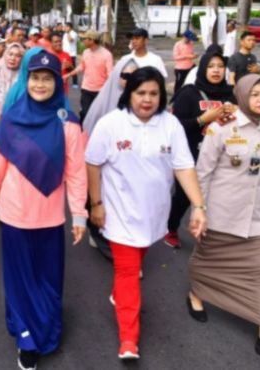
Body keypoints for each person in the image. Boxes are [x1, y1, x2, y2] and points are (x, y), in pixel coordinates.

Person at [85, 66, 207, 361]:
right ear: (130, 93)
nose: (147, 99)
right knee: (128, 273)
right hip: (119, 213)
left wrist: (199, 206)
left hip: (154, 214)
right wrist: (96, 203)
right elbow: (92, 163)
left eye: (154, 93)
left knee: (139, 254)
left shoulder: (171, 125)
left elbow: (183, 166)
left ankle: (121, 294)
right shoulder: (111, 123)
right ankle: (129, 339)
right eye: (141, 93)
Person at [0, 51, 87, 370]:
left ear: (57, 83)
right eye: (35, 77)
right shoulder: (13, 116)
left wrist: (79, 213)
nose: (40, 84)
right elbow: (1, 160)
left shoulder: (68, 124)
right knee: (19, 279)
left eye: (47, 78)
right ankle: (26, 336)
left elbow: (76, 171)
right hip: (14, 213)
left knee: (48, 279)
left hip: (51, 216)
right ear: (26, 80)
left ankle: (47, 328)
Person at [189, 74, 260, 364]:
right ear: (242, 95)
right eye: (255, 94)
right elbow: (203, 173)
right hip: (221, 214)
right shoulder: (221, 128)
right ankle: (196, 294)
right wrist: (199, 210)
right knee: (207, 259)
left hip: (258, 217)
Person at [165, 49, 236, 248]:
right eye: (211, 66)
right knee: (184, 197)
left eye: (220, 66)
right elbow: (174, 126)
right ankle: (170, 228)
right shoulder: (188, 93)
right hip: (191, 155)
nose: (216, 70)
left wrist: (238, 113)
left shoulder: (231, 95)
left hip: (222, 156)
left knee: (215, 197)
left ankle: (206, 231)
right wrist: (202, 119)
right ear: (203, 68)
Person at [82, 56, 139, 257]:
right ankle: (102, 238)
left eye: (135, 75)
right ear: (116, 76)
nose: (130, 80)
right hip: (104, 165)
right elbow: (88, 131)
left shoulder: (142, 100)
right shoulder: (104, 100)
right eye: (125, 75)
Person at [63, 30, 114, 122]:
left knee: (99, 116)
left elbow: (110, 74)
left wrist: (109, 92)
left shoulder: (107, 55)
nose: (83, 41)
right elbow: (82, 66)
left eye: (85, 39)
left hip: (100, 91)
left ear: (92, 40)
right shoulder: (86, 52)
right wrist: (69, 75)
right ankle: (83, 133)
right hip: (86, 88)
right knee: (85, 113)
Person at [62, 22, 79, 87]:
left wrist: (68, 33)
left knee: (72, 68)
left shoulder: (74, 33)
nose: (65, 28)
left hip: (71, 54)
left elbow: (70, 40)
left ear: (70, 27)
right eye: (65, 27)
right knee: (64, 68)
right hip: (65, 53)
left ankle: (75, 83)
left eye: (66, 27)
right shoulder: (64, 34)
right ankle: (63, 80)